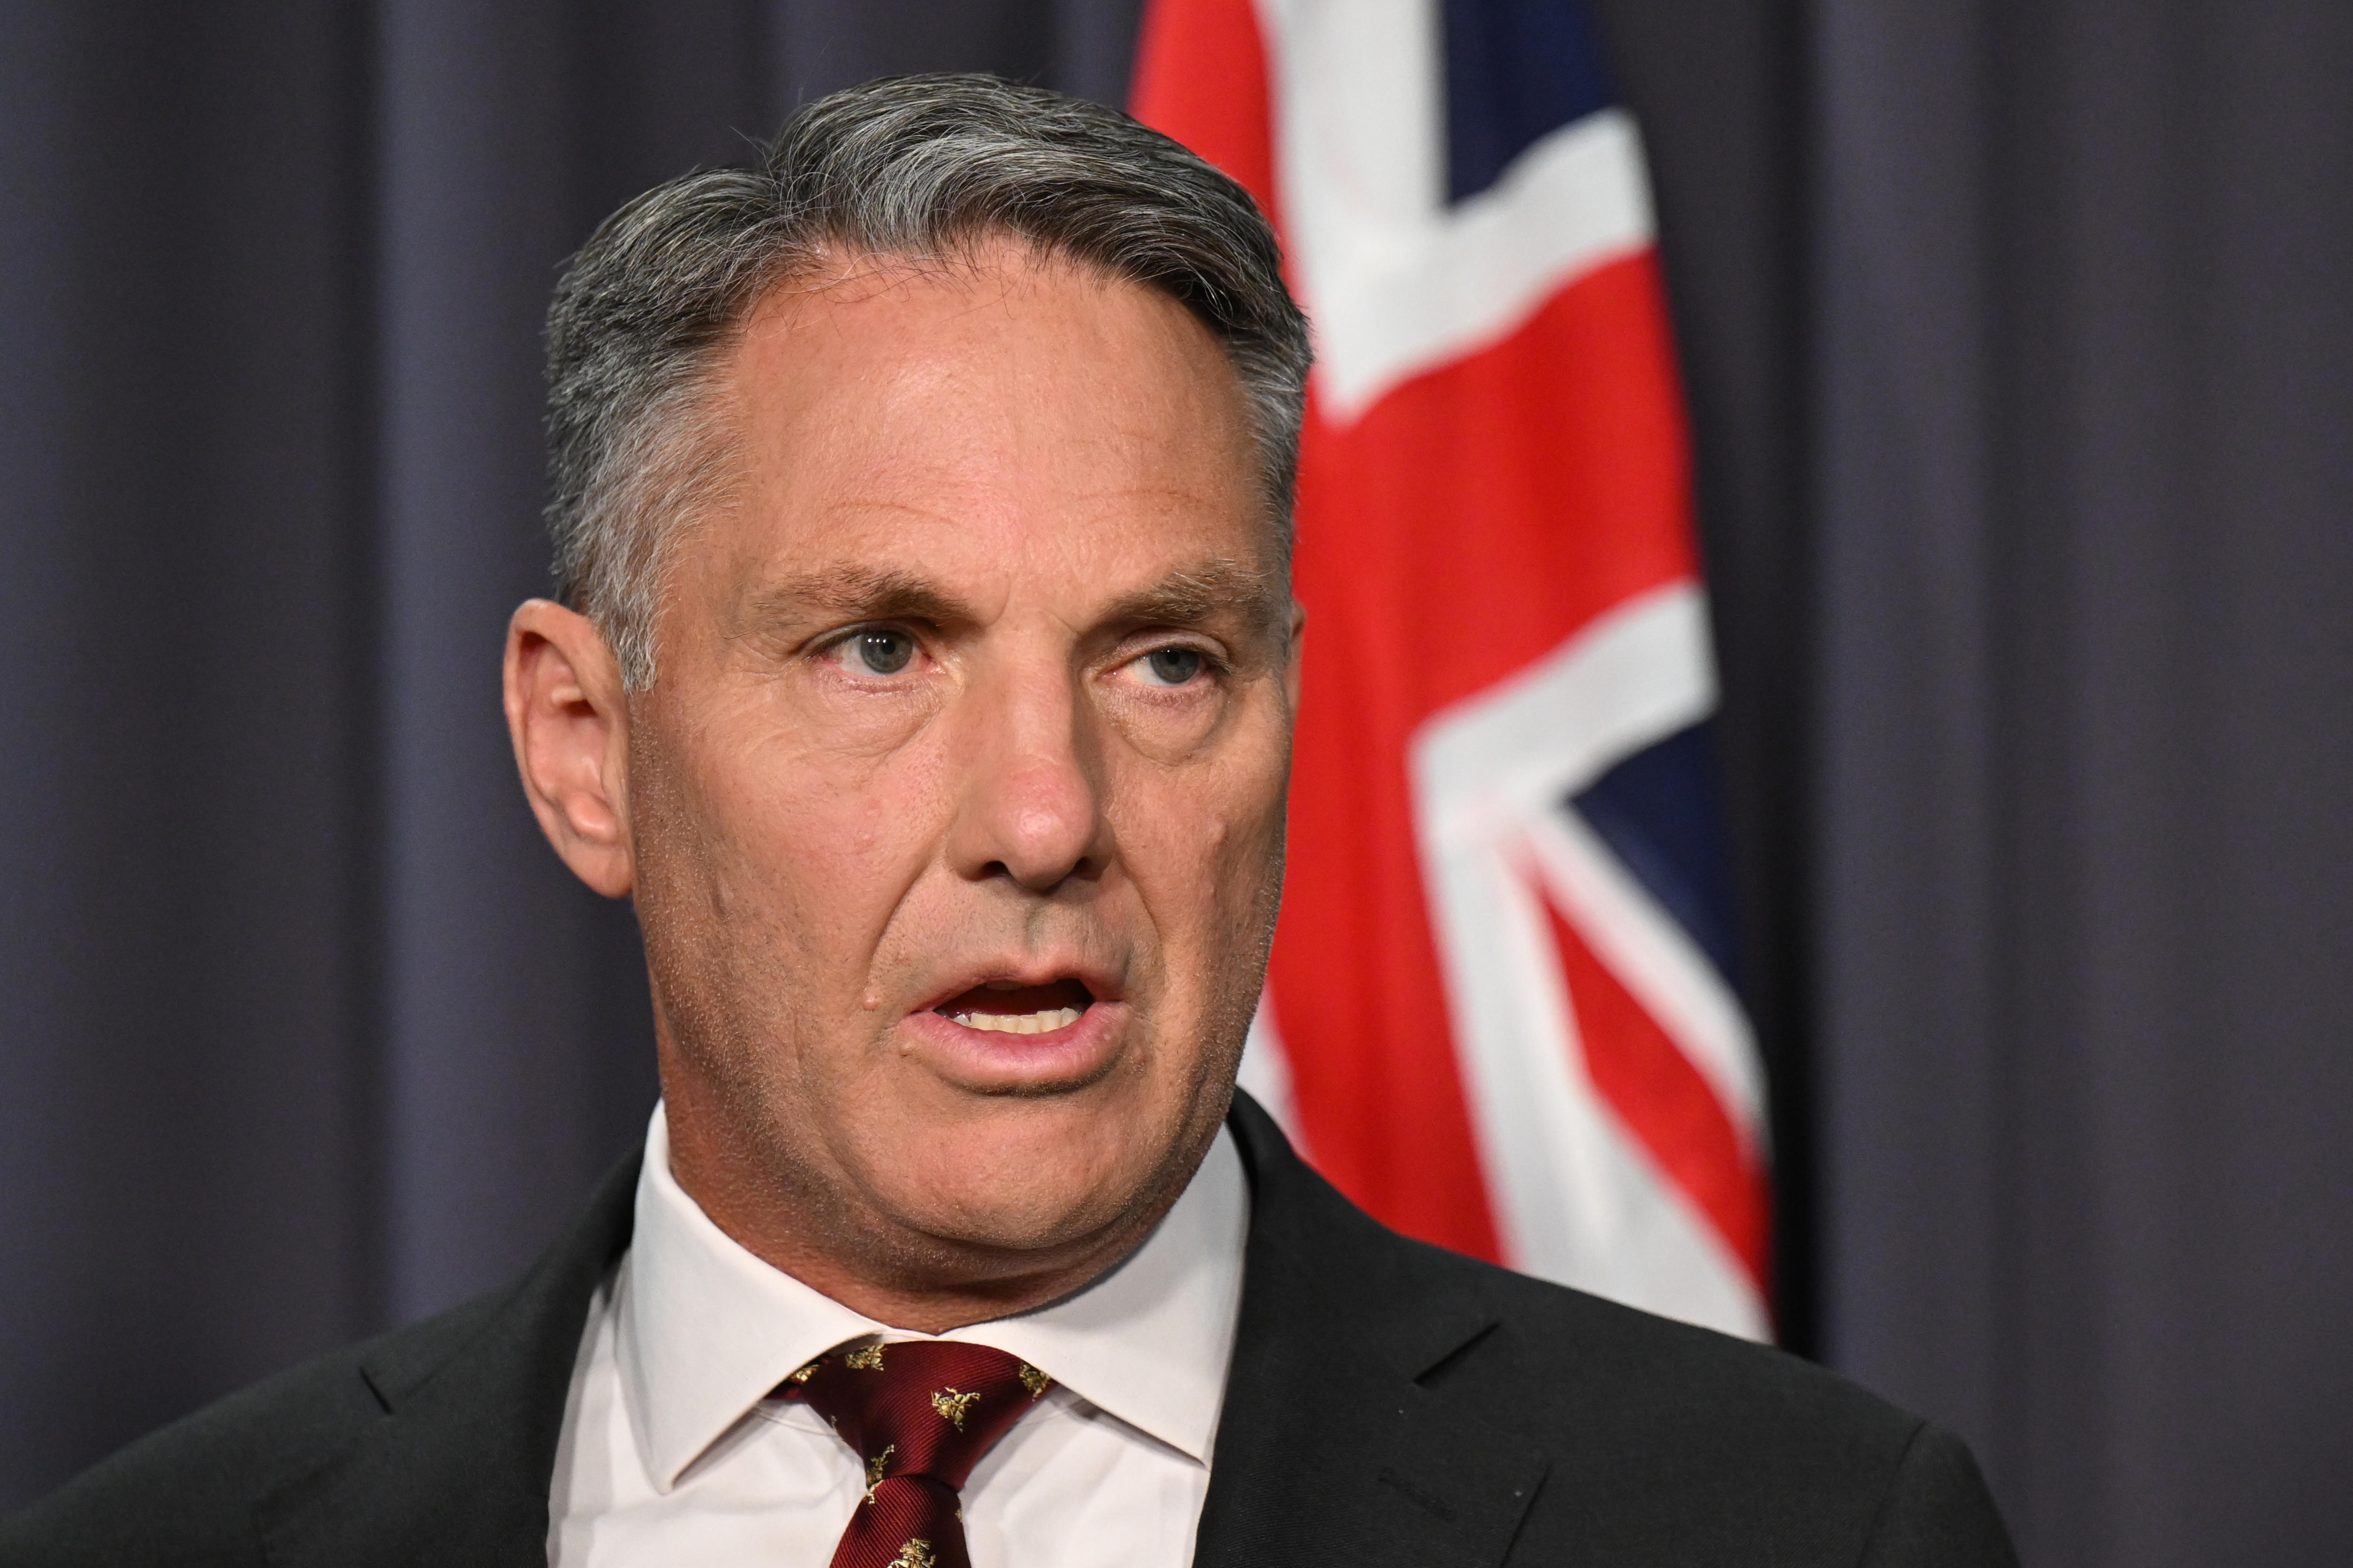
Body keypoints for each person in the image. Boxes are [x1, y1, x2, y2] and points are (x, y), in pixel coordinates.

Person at [1, 75, 2016, 1568]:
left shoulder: (1794, 1529)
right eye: (881, 648)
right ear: (582, 744)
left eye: (1163, 662)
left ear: (1285, 714)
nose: (1045, 813)